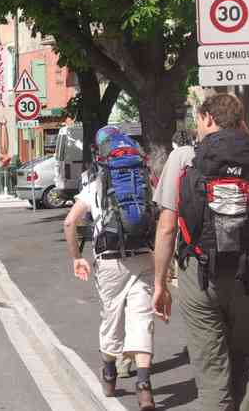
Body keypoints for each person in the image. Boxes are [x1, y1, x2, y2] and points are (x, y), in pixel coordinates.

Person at [152, 94, 249, 411]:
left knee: (211, 370)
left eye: (199, 119)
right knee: (247, 360)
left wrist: (160, 283)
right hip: (248, 272)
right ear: (239, 122)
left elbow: (167, 227)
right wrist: (239, 126)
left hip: (200, 272)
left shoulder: (184, 158)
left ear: (207, 118)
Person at [64, 125, 156, 410]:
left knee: (111, 317)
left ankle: (109, 372)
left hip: (109, 259)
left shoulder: (95, 186)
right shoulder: (143, 179)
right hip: (143, 254)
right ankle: (143, 385)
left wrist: (76, 256)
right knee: (142, 317)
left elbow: (69, 223)